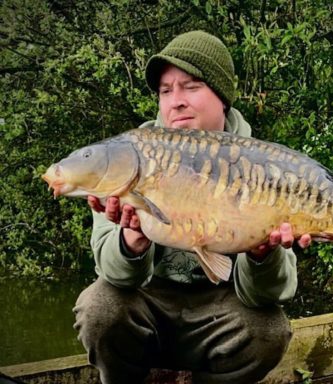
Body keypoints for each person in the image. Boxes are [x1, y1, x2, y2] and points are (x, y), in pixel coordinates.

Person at [73, 30, 312, 384]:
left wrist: (262, 255)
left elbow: (270, 294)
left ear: (222, 97)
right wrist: (132, 242)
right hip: (147, 305)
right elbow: (112, 273)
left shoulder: (261, 164)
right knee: (99, 308)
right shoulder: (127, 158)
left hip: (220, 312)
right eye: (166, 91)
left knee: (269, 329)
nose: (176, 101)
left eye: (191, 86)